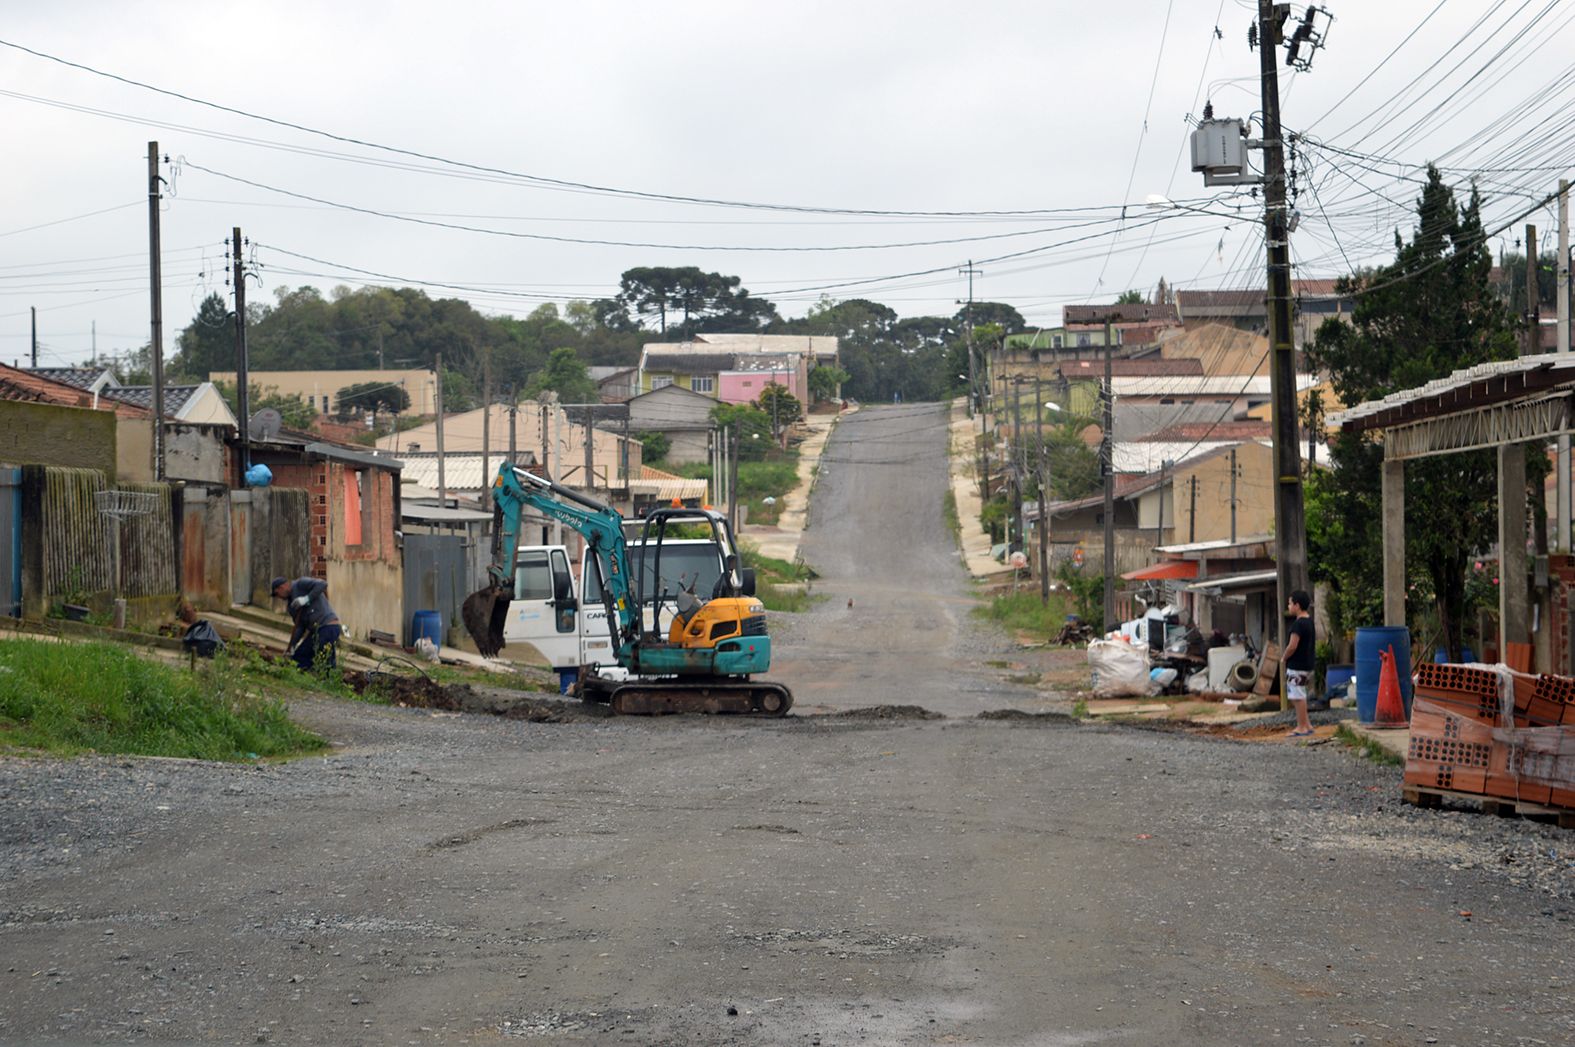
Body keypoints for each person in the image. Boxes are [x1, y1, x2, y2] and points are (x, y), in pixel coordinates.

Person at [272, 576, 342, 672]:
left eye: (277, 593)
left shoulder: (301, 584)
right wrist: (292, 645)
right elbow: (300, 627)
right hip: (317, 631)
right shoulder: (292, 605)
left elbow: (322, 584)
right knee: (300, 656)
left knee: (323, 660)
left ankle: (328, 681)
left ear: (282, 587)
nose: (278, 597)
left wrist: (307, 598)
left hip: (327, 626)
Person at [1283, 589, 1316, 738]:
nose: (1288, 606)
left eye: (1290, 603)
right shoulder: (1309, 621)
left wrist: (1284, 657)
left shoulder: (1298, 625)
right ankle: (1307, 724)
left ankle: (1301, 726)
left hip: (1297, 664)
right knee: (1300, 694)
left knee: (1298, 696)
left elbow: (1292, 645)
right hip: (1307, 663)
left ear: (1297, 605)